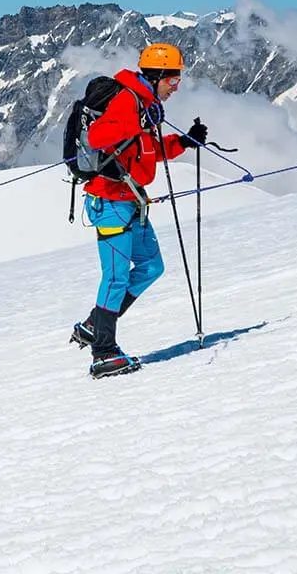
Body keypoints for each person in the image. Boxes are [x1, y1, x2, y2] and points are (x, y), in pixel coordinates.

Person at [68, 43, 208, 378]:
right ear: (157, 75)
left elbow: (147, 149)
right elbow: (99, 136)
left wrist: (184, 142)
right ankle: (103, 353)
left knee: (150, 266)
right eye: (173, 80)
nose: (176, 87)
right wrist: (140, 119)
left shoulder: (144, 102)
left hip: (131, 201)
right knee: (115, 277)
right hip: (110, 201)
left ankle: (94, 323)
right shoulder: (128, 100)